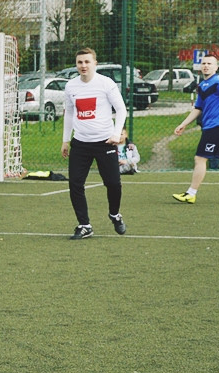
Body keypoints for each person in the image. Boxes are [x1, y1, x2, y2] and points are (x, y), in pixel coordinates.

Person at [61, 47, 128, 239]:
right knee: (75, 184)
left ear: (95, 64)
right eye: (80, 62)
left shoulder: (106, 83)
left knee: (113, 184)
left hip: (105, 142)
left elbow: (121, 109)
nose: (83, 65)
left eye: (87, 62)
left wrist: (116, 134)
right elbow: (69, 113)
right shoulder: (70, 86)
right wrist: (65, 140)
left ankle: (115, 214)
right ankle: (84, 225)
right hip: (80, 144)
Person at [172, 54, 219, 204]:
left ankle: (191, 193)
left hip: (217, 127)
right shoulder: (202, 85)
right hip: (211, 127)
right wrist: (183, 124)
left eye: (209, 63)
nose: (206, 66)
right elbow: (198, 108)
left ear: (216, 67)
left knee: (200, 158)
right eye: (204, 63)